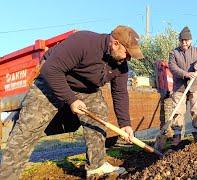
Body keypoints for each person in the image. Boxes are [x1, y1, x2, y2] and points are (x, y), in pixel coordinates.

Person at [0, 25, 144, 179]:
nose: (128, 58)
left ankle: (96, 166)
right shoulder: (84, 42)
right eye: (127, 53)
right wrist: (71, 99)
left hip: (86, 89)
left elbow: (120, 93)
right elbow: (51, 69)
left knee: (98, 114)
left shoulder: (121, 66)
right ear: (115, 43)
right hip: (52, 81)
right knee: (27, 129)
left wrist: (125, 123)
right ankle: (8, 175)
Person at [168, 26, 197, 148]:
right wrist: (186, 74)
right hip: (179, 87)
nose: (184, 42)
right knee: (178, 111)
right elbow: (172, 67)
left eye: (186, 40)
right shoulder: (174, 53)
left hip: (195, 85)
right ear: (179, 41)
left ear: (190, 40)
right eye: (182, 40)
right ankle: (177, 135)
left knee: (196, 110)